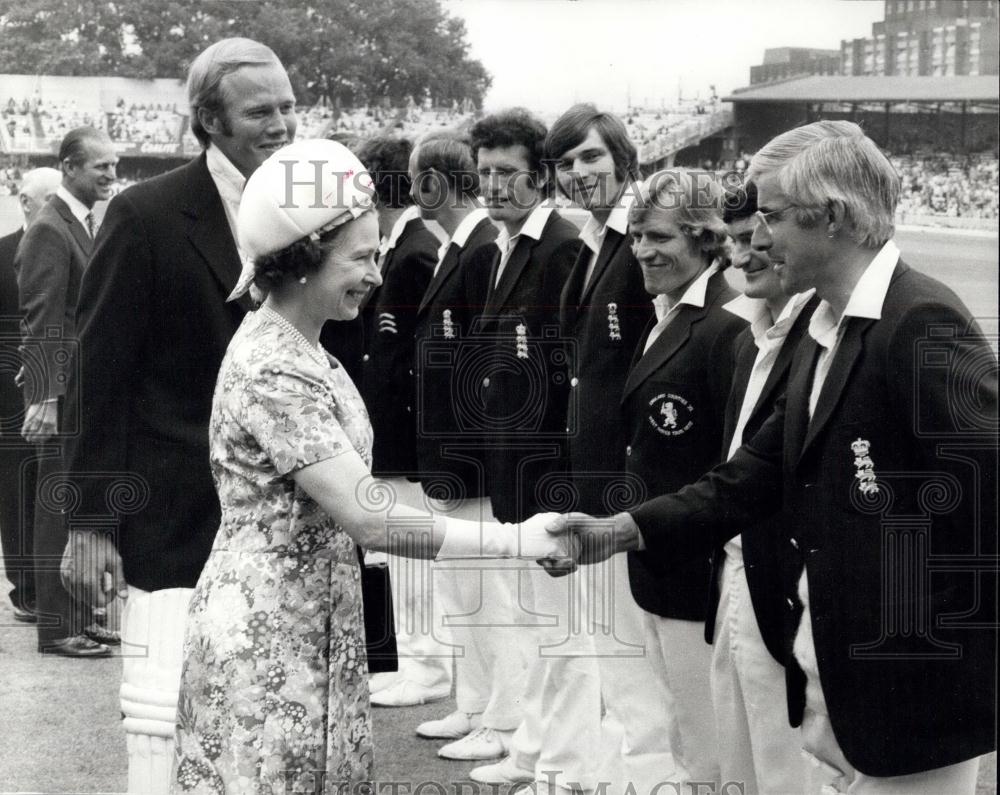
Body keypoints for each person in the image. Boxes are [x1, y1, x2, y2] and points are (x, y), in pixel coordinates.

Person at [552, 121, 997, 794]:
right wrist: (620, 529)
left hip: (912, 698)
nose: (755, 237)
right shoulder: (825, 327)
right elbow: (751, 475)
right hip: (838, 683)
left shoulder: (921, 320)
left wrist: (918, 646)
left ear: (836, 217)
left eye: (773, 216)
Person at [170, 138, 573, 793]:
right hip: (270, 633)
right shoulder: (276, 366)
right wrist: (518, 539)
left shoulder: (303, 346)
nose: (376, 274)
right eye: (359, 258)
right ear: (303, 262)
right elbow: (371, 518)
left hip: (309, 622)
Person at [59, 38, 296, 794]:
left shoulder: (311, 205)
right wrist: (91, 520)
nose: (283, 123)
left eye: (289, 106)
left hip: (284, 522)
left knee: (264, 727)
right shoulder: (143, 214)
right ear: (209, 121)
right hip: (173, 520)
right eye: (261, 111)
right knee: (165, 724)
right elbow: (97, 376)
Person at [463, 109, 600, 793]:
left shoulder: (561, 250)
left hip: (550, 470)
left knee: (563, 635)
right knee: (530, 623)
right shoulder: (504, 248)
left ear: (540, 177)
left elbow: (565, 372)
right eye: (484, 172)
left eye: (507, 173)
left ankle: (564, 768)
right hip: (511, 463)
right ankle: (535, 751)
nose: (493, 185)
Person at [544, 104, 673, 793]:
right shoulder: (594, 241)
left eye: (591, 157)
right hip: (592, 476)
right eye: (565, 163)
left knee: (639, 665)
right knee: (614, 656)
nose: (578, 172)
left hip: (631, 480)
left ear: (624, 159)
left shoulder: (643, 241)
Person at [617, 168, 746, 790]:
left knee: (711, 745)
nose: (643, 250)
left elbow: (736, 468)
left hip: (699, 579)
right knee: (682, 732)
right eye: (636, 235)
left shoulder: (728, 325)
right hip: (658, 564)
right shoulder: (666, 312)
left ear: (704, 237)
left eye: (659, 236)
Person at [406, 132, 526, 762]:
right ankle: (476, 702)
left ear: (435, 181)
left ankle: (505, 716)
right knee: (462, 590)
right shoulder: (461, 246)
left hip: (472, 453)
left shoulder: (481, 249)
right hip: (448, 450)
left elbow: (488, 364)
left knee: (488, 590)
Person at [708, 180, 817, 794]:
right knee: (738, 768)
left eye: (755, 239)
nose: (743, 256)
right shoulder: (744, 337)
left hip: (784, 591)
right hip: (731, 575)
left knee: (787, 772)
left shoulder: (818, 340)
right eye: (731, 242)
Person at [355, 135, 454, 708]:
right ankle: (410, 658)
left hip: (408, 431)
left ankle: (428, 666)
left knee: (413, 550)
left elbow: (419, 357)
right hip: (391, 429)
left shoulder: (417, 248)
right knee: (396, 550)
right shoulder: (400, 244)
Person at [15, 128, 118, 656]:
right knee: (56, 505)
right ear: (70, 167)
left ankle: (80, 615)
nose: (110, 175)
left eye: (113, 165)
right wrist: (44, 397)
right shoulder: (49, 230)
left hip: (82, 390)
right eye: (100, 167)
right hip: (61, 394)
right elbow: (43, 320)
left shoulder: (80, 223)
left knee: (77, 502)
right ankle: (57, 627)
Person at [0, 166, 61, 624]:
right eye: (51, 200)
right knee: (16, 489)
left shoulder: (69, 240)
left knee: (51, 490)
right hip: (9, 394)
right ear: (26, 201)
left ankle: (56, 586)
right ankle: (27, 589)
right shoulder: (2, 252)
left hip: (53, 388)